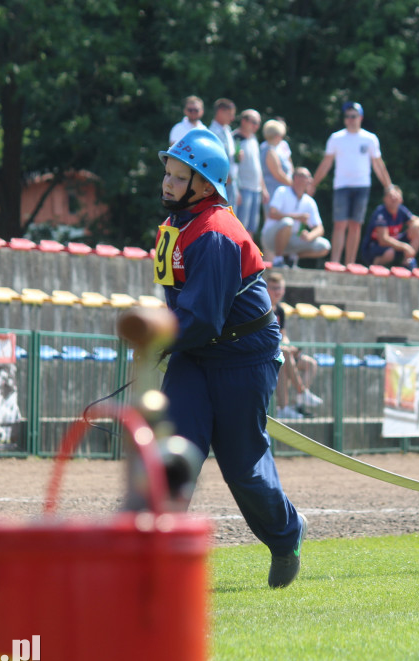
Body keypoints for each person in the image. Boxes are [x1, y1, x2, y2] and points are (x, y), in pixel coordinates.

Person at [154, 127, 306, 588]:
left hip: (242, 358)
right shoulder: (177, 224)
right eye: (168, 173)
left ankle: (285, 539)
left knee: (244, 470)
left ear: (205, 187)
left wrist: (154, 337)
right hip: (194, 356)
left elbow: (202, 319)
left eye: (180, 177)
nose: (168, 183)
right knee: (172, 454)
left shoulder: (217, 234)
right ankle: (159, 561)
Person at [311, 102, 392, 265]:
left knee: (355, 225)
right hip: (342, 185)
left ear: (360, 118)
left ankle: (350, 263)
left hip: (362, 185)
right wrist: (314, 183)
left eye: (353, 116)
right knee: (340, 224)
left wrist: (388, 186)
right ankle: (335, 262)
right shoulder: (336, 138)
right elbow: (327, 162)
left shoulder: (369, 138)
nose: (350, 119)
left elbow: (378, 164)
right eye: (347, 116)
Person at [265, 271, 323, 418]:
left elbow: (283, 335)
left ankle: (294, 403)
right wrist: (285, 348)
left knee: (310, 364)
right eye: (273, 288)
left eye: (279, 288)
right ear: (266, 288)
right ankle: (301, 393)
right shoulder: (263, 308)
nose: (277, 292)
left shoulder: (281, 310)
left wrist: (290, 346)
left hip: (281, 353)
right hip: (267, 354)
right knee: (284, 357)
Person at [260, 167, 331, 266]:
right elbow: (272, 214)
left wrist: (310, 236)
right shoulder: (282, 191)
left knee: (324, 246)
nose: (310, 180)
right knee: (288, 222)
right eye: (307, 177)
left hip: (292, 240)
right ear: (296, 178)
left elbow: (319, 228)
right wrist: (297, 217)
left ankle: (291, 258)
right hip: (270, 238)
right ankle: (278, 260)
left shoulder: (309, 202)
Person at [358, 184, 419, 268]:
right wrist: (405, 247)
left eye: (396, 196)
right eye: (391, 196)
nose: (394, 199)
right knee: (390, 252)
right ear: (384, 199)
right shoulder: (381, 213)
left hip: (392, 244)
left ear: (401, 200)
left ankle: (406, 263)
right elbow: (383, 240)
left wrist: (415, 225)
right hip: (374, 247)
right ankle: (374, 267)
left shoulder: (401, 210)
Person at [233, 109, 265, 234]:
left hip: (256, 189)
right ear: (243, 121)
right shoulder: (235, 138)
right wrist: (237, 190)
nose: (256, 126)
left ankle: (248, 254)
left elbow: (258, 166)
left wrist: (264, 189)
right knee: (241, 226)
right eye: (253, 122)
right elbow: (232, 167)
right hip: (243, 188)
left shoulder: (253, 139)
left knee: (252, 227)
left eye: (258, 123)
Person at [259, 118, 293, 220]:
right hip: (273, 192)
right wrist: (293, 184)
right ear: (277, 136)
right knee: (273, 222)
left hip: (276, 191)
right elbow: (277, 173)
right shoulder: (270, 151)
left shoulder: (269, 149)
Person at [207, 98, 238, 206]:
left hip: (232, 180)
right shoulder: (212, 132)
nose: (232, 118)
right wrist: (223, 175)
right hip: (221, 181)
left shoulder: (228, 130)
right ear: (220, 112)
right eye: (230, 114)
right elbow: (214, 158)